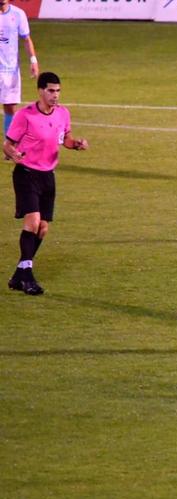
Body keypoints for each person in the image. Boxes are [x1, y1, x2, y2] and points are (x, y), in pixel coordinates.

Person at [5, 72, 88, 295]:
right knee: (33, 222)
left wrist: (76, 144)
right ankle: (28, 276)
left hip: (47, 175)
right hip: (26, 173)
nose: (55, 95)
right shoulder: (25, 115)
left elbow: (65, 139)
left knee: (42, 228)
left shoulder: (63, 114)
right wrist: (13, 154)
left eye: (58, 91)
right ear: (40, 91)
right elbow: (7, 144)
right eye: (51, 91)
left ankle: (19, 275)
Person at [0, 0, 39, 136]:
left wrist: (33, 61)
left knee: (10, 108)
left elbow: (27, 39)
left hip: (10, 71)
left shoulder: (18, 14)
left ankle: (9, 146)